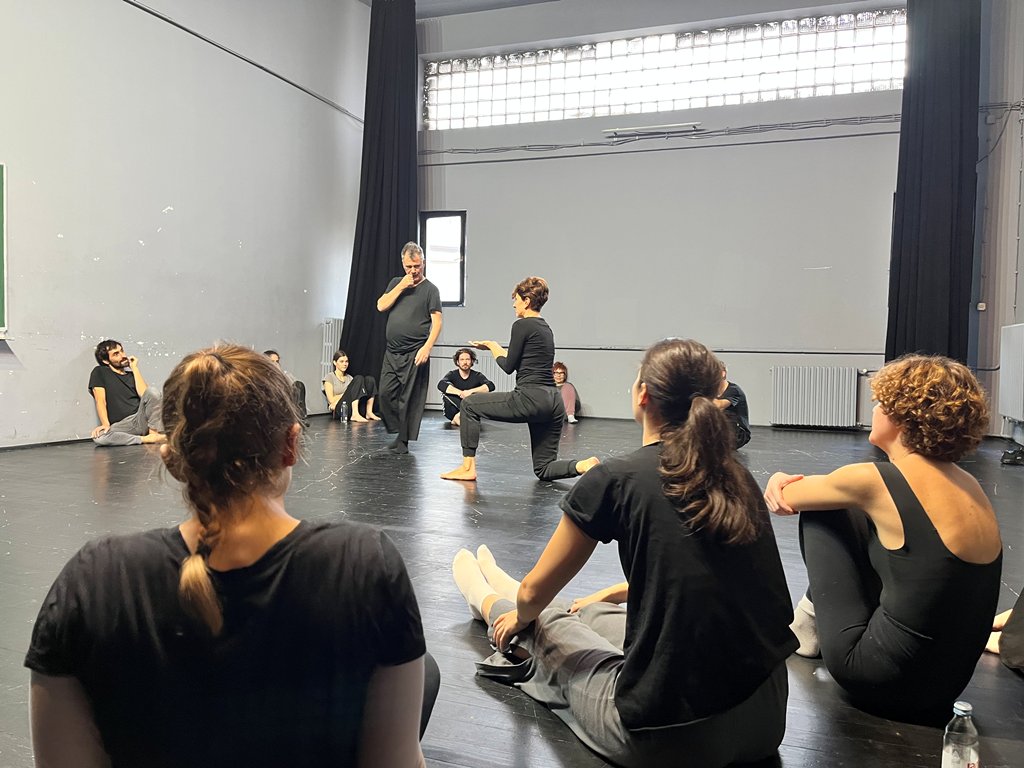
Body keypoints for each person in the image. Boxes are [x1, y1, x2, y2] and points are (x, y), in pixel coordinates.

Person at [27, 345, 439, 767]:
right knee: (425, 671)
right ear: (291, 444)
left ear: (171, 458)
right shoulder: (364, 565)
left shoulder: (93, 579)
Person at [451, 339, 796, 767]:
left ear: (643, 394)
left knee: (544, 619)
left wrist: (523, 615)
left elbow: (536, 592)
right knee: (592, 612)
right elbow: (696, 579)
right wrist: (608, 595)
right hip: (766, 719)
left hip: (669, 738)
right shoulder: (735, 474)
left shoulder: (615, 478)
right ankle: (511, 590)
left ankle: (485, 597)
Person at [764, 354, 1002, 721]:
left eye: (880, 403)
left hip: (877, 678)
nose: (874, 410)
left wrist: (778, 476)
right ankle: (813, 624)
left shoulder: (876, 480)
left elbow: (788, 499)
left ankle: (806, 628)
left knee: (825, 510)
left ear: (901, 416)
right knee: (854, 508)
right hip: (946, 685)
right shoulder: (967, 483)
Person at [441, 277, 598, 482]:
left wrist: (492, 346)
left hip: (530, 398)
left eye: (516, 299)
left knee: (469, 404)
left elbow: (508, 366)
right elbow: (519, 360)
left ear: (527, 301)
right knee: (543, 468)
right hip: (553, 402)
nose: (514, 304)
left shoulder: (522, 325)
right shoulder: (545, 328)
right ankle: (584, 465)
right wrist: (494, 347)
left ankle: (467, 468)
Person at [376, 242, 442, 454]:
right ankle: (398, 431)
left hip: (415, 351)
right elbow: (381, 305)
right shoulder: (396, 283)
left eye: (417, 266)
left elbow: (437, 322)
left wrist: (427, 348)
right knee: (385, 393)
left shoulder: (430, 290)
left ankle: (403, 441)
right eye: (409, 267)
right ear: (403, 264)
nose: (413, 271)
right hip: (392, 351)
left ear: (423, 263)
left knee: (409, 399)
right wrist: (402, 286)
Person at [87, 339, 165, 446]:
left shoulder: (132, 375)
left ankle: (154, 433)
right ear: (106, 361)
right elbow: (100, 400)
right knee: (99, 436)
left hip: (140, 418)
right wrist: (105, 424)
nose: (123, 355)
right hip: (123, 425)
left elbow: (147, 395)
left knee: (153, 391)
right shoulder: (100, 372)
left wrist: (134, 368)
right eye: (116, 354)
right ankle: (147, 439)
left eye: (122, 351)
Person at [437, 348, 495, 427]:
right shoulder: (452, 374)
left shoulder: (477, 375)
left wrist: (470, 392)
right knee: (446, 393)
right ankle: (459, 417)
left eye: (467, 359)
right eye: (462, 359)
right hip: (453, 410)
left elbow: (491, 386)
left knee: (480, 395)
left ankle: (458, 418)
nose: (465, 362)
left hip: (471, 409)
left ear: (472, 361)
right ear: (457, 362)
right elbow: (441, 384)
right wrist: (461, 393)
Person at [324, 349, 381, 423]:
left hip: (352, 407)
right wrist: (348, 393)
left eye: (346, 361)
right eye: (341, 361)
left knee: (370, 380)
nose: (345, 364)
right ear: (335, 362)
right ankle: (355, 414)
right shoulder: (329, 377)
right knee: (359, 378)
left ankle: (369, 412)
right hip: (340, 410)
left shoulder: (350, 378)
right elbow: (331, 400)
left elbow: (355, 394)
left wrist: (350, 393)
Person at [264, 349, 308, 422]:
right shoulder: (261, 376)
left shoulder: (282, 375)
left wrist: (279, 375)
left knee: (299, 385)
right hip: (271, 405)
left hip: (284, 402)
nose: (276, 364)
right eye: (272, 362)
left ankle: (300, 419)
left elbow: (288, 388)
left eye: (277, 362)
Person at [714, 363, 750, 449]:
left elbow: (718, 406)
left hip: (739, 434)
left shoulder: (734, 390)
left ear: (723, 373)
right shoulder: (711, 390)